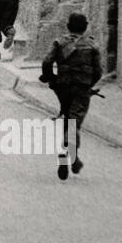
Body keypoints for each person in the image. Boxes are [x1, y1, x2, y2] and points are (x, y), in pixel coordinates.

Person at [41, 12, 103, 179]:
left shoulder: (59, 42)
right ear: (85, 28)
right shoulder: (92, 45)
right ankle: (71, 153)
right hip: (81, 89)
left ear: (68, 26)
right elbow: (98, 71)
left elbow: (47, 62)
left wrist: (50, 78)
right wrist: (89, 84)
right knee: (74, 121)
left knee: (69, 119)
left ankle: (70, 157)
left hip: (63, 88)